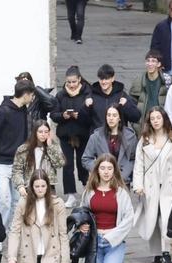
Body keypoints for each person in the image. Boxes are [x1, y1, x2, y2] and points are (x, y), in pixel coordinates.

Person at [133, 107, 172, 263]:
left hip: (171, 186)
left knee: (166, 220)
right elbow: (139, 165)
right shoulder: (144, 140)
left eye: (158, 117)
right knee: (152, 219)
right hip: (150, 186)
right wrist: (138, 185)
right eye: (153, 118)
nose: (156, 121)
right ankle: (156, 253)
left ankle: (167, 252)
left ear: (164, 118)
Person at [0, 80, 34, 228]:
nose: (32, 99)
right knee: (3, 200)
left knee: (18, 200)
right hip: (1, 163)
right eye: (31, 95)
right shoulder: (2, 112)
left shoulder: (24, 110)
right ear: (25, 95)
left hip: (18, 163)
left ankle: (14, 233)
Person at [51, 66, 94, 206]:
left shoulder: (87, 94)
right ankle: (70, 194)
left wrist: (79, 115)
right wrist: (62, 115)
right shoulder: (61, 95)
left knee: (83, 163)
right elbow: (54, 115)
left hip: (82, 134)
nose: (71, 85)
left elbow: (91, 117)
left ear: (79, 80)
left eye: (74, 82)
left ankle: (86, 190)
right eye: (69, 82)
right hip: (65, 135)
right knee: (67, 165)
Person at [82, 106, 137, 185]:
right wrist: (100, 169)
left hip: (122, 180)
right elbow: (86, 158)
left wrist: (124, 174)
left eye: (114, 115)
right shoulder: (96, 136)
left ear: (119, 118)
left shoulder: (130, 136)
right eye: (109, 115)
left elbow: (133, 158)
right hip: (102, 181)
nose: (111, 118)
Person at [12, 120, 65, 197]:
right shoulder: (23, 149)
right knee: (30, 209)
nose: (43, 134)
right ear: (34, 133)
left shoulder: (54, 146)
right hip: (29, 187)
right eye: (40, 132)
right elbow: (17, 170)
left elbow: (60, 164)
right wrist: (20, 186)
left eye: (46, 132)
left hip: (48, 187)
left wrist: (50, 147)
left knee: (48, 208)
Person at [85, 64, 142, 130]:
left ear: (112, 79)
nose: (103, 82)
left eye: (106, 79)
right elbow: (83, 121)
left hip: (119, 136)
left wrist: (127, 105)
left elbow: (136, 117)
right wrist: (86, 108)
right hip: (99, 137)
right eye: (101, 79)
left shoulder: (122, 95)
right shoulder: (92, 96)